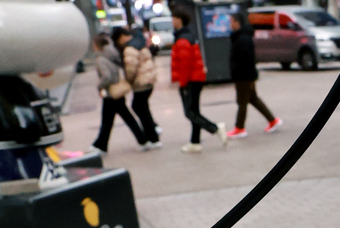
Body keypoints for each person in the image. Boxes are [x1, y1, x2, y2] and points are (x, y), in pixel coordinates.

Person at [170, 9, 227, 152]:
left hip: (190, 79)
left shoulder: (182, 39)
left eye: (174, 18)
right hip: (196, 78)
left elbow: (185, 64)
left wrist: (182, 83)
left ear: (179, 20)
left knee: (190, 112)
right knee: (194, 111)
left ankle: (215, 128)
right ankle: (195, 142)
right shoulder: (187, 35)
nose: (172, 21)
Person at [226, 11, 281, 138]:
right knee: (253, 99)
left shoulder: (243, 38)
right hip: (245, 74)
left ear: (237, 22)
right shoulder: (240, 36)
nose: (230, 25)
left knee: (242, 101)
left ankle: (239, 128)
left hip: (244, 75)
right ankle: (273, 121)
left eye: (231, 22)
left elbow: (246, 59)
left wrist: (238, 71)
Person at [93, 31, 149, 151]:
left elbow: (106, 76)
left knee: (109, 121)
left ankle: (100, 145)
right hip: (117, 92)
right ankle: (100, 145)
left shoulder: (100, 59)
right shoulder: (113, 54)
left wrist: (99, 86)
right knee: (116, 119)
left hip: (111, 94)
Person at [116, 24, 159, 147]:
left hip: (140, 82)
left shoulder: (129, 48)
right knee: (142, 107)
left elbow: (131, 68)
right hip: (148, 79)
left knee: (139, 107)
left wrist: (129, 80)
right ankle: (153, 134)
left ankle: (153, 135)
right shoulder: (139, 42)